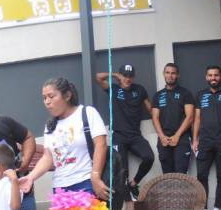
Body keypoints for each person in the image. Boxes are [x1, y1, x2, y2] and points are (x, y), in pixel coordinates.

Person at [20, 77, 108, 198]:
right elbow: (48, 157)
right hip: (60, 187)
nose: (47, 102)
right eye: (44, 98)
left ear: (67, 96)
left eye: (51, 96)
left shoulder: (87, 113)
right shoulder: (50, 126)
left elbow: (101, 145)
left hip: (86, 182)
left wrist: (96, 176)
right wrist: (30, 177)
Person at [96, 64, 154, 198]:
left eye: (130, 76)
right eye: (125, 76)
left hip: (135, 135)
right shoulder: (113, 89)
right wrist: (115, 75)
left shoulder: (139, 90)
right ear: (120, 76)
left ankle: (133, 184)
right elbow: (97, 78)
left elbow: (150, 109)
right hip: (118, 135)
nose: (128, 79)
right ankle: (127, 196)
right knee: (121, 169)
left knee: (149, 157)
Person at [193, 65, 221, 210]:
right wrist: (195, 139)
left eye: (216, 75)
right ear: (206, 77)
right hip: (205, 142)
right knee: (201, 176)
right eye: (210, 75)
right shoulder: (200, 95)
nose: (213, 78)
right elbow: (197, 119)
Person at [152, 63, 195, 178]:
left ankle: (182, 197)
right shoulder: (158, 95)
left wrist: (177, 136)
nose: (170, 76)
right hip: (164, 140)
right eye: (167, 73)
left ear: (178, 75)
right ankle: (171, 197)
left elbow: (190, 117)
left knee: (181, 175)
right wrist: (161, 136)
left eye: (173, 73)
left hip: (182, 139)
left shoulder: (185, 93)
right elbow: (155, 117)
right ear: (164, 74)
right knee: (167, 177)